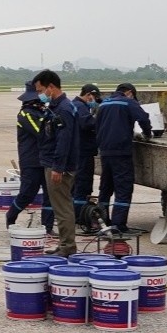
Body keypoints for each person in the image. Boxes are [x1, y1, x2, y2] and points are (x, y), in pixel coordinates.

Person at [33, 69, 80, 257]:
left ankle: (68, 246)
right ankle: (64, 244)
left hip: (58, 165)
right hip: (53, 162)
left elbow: (64, 140)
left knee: (62, 207)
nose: (40, 94)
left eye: (41, 90)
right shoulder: (56, 107)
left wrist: (58, 167)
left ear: (51, 87)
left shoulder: (64, 109)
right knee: (60, 205)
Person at [95, 82, 152, 233]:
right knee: (123, 188)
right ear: (129, 92)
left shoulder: (104, 104)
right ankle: (118, 225)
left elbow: (96, 125)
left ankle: (102, 222)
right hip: (121, 151)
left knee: (105, 187)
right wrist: (147, 134)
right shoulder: (128, 102)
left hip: (105, 151)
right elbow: (144, 118)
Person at [5, 81, 53, 236]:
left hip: (45, 159)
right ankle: (11, 216)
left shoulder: (45, 112)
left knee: (49, 193)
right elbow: (40, 131)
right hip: (31, 160)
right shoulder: (25, 114)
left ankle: (48, 225)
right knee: (28, 192)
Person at [71, 84, 101, 227]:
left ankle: (73, 213)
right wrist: (100, 119)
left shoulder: (74, 104)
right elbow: (87, 124)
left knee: (75, 185)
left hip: (77, 151)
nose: (94, 100)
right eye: (94, 97)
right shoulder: (80, 106)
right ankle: (79, 216)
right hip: (83, 152)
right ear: (89, 94)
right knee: (83, 185)